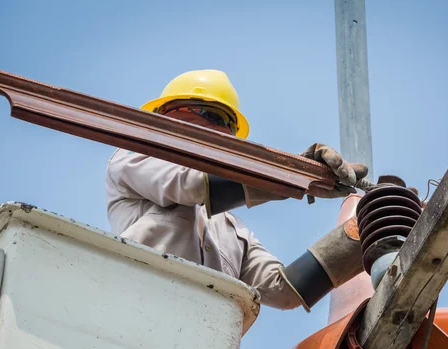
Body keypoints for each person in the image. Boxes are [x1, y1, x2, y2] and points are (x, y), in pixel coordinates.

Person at [105, 70, 368, 311]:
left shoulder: (232, 231)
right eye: (207, 115)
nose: (217, 130)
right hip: (136, 312)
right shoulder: (133, 157)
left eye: (225, 125)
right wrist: (293, 174)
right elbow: (192, 184)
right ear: (165, 115)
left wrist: (360, 233)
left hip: (200, 342)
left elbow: (283, 290)